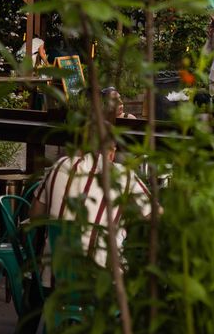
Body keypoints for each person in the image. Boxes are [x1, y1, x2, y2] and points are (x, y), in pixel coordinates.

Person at [30, 102, 150, 270]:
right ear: (112, 151)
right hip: (103, 284)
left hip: (53, 283)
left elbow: (35, 215)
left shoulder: (59, 166)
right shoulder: (123, 175)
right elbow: (155, 218)